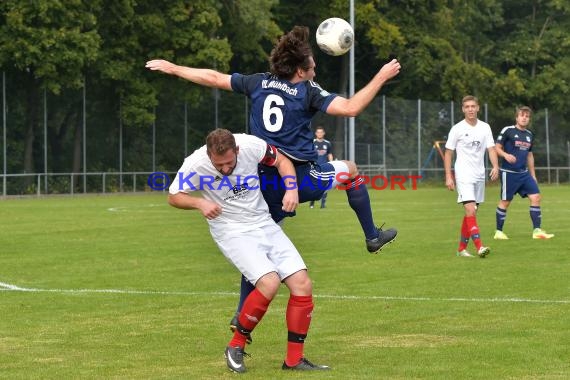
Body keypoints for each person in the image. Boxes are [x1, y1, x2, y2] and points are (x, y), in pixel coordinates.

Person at [147, 25, 400, 339]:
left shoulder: (258, 82)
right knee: (349, 169)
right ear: (299, 70)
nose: (315, 69)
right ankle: (372, 235)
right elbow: (350, 108)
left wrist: (173, 69)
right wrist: (381, 76)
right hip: (295, 176)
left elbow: (213, 77)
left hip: (260, 182)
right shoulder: (308, 92)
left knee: (259, 250)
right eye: (311, 66)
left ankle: (242, 315)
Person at [168, 128, 330, 372]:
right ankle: (235, 345)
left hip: (263, 222)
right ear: (209, 155)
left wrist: (291, 188)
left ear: (237, 151)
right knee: (269, 282)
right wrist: (199, 202)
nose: (224, 168)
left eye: (229, 162)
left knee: (302, 285)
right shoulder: (196, 164)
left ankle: (294, 360)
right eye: (218, 164)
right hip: (231, 230)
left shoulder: (251, 145)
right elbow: (174, 196)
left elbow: (282, 161)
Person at [444, 95, 499, 258]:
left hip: (479, 175)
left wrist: (495, 165)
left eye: (473, 106)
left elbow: (491, 149)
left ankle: (461, 249)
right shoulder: (457, 129)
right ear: (463, 109)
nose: (470, 109)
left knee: (471, 213)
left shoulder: (485, 127)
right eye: (467, 106)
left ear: (478, 108)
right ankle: (480, 247)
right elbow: (448, 153)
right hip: (463, 174)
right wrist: (449, 176)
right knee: (469, 208)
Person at [493, 106, 554, 240]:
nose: (524, 118)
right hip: (509, 173)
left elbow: (529, 155)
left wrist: (533, 174)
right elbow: (496, 147)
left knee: (536, 197)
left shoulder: (529, 135)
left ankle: (537, 231)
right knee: (505, 202)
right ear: (517, 117)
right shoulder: (508, 130)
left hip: (524, 173)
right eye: (522, 115)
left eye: (527, 116)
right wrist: (505, 155)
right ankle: (498, 232)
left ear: (529, 119)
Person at [309, 126, 334, 209]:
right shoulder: (312, 142)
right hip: (314, 167)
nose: (319, 134)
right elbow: (309, 153)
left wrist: (331, 163)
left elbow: (329, 154)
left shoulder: (327, 143)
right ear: (316, 134)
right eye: (318, 132)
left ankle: (323, 204)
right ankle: (312, 203)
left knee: (325, 185)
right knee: (313, 185)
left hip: (324, 168)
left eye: (321, 132)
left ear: (323, 133)